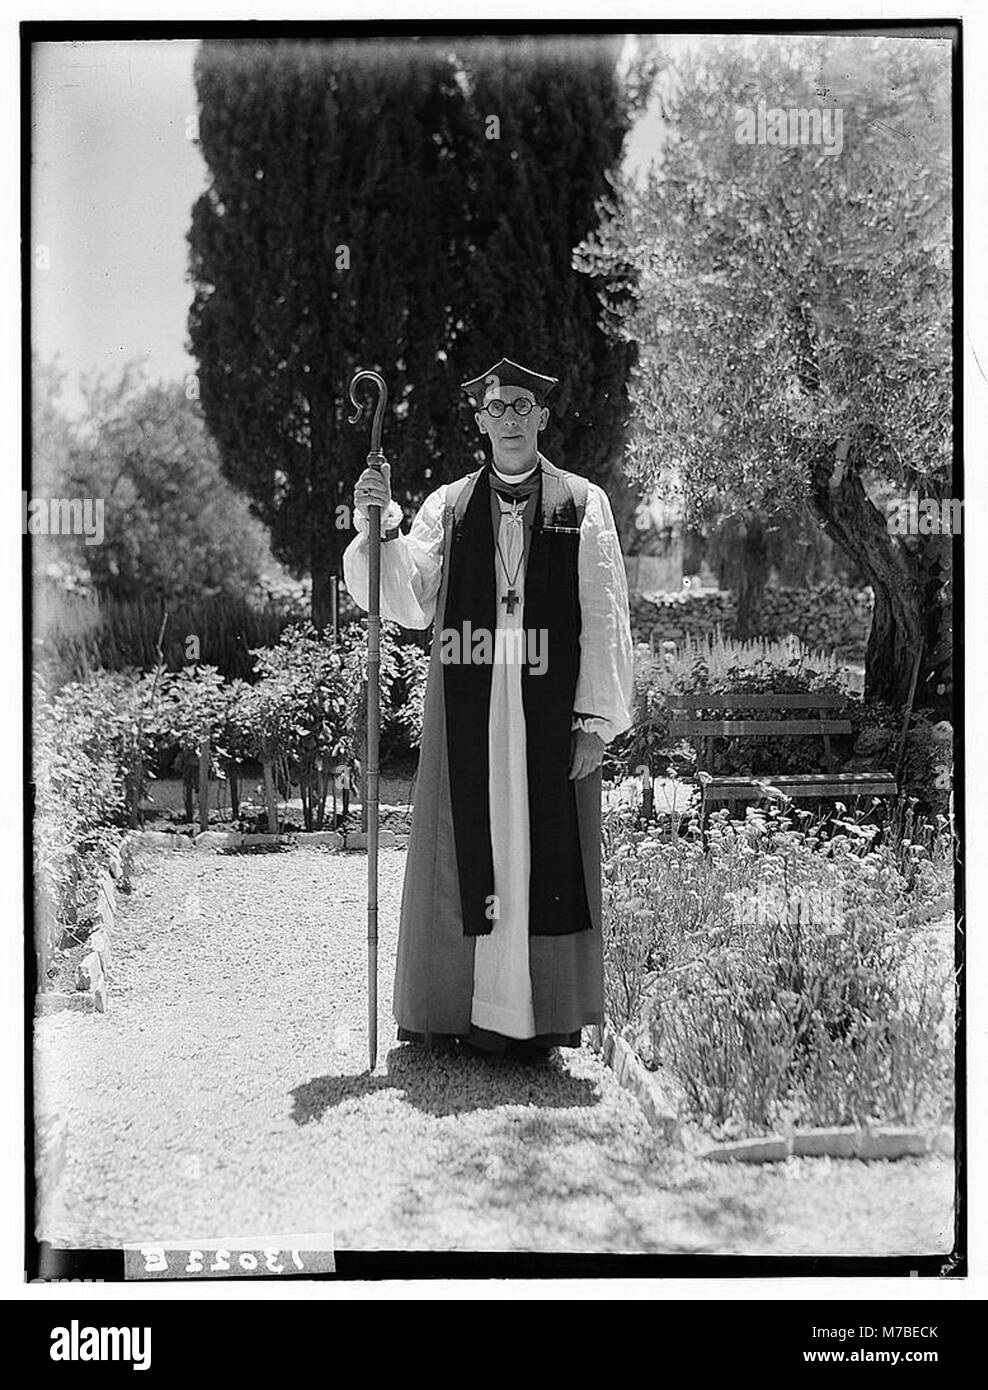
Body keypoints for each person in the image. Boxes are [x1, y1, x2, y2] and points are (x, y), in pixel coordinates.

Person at [343, 357, 633, 1061]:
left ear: (541, 417)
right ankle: (456, 1012)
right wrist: (378, 526)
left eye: (522, 407)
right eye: (496, 408)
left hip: (548, 709)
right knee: (464, 848)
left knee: (542, 851)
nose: (509, 419)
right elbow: (407, 596)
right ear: (480, 420)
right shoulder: (448, 504)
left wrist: (595, 721)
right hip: (469, 707)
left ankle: (541, 1020)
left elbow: (605, 613)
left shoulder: (582, 502)